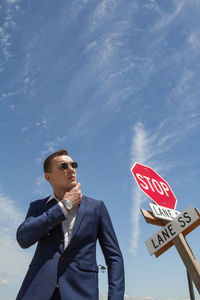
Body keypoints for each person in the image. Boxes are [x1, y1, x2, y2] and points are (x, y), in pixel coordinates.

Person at [16, 149, 125, 300]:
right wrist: (64, 207)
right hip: (38, 291)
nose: (71, 169)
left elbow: (114, 256)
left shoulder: (96, 207)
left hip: (81, 292)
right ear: (48, 177)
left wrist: (115, 297)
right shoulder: (38, 207)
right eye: (63, 166)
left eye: (73, 164)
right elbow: (23, 238)